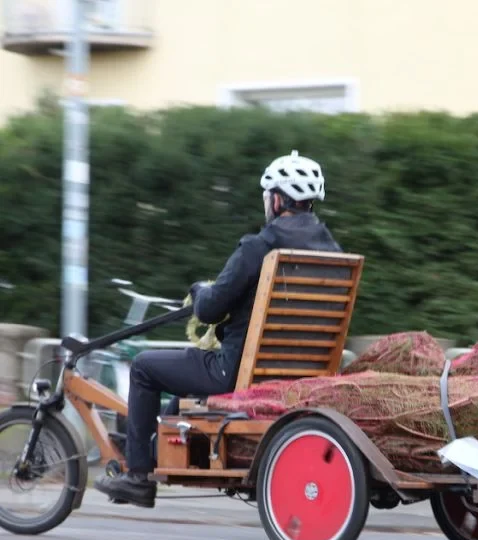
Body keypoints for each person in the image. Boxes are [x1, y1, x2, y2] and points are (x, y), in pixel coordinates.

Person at [94, 150, 342, 508]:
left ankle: (137, 477)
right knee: (180, 395)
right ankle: (162, 448)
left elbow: (210, 310)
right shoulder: (333, 253)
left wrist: (199, 290)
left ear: (276, 199)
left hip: (236, 374)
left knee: (145, 367)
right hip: (302, 375)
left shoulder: (259, 246)